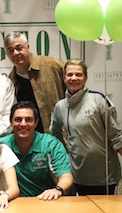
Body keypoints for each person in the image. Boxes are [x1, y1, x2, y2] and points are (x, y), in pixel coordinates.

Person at [49, 58, 122, 195]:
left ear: (86, 77)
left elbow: (116, 137)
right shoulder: (60, 106)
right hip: (78, 176)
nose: (74, 78)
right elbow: (54, 137)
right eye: (70, 75)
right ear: (64, 78)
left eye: (78, 74)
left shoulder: (99, 100)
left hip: (105, 177)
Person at [0, 101, 73, 200]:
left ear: (36, 122)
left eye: (28, 120)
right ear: (11, 122)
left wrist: (57, 189)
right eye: (18, 119)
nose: (23, 124)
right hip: (14, 202)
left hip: (47, 200)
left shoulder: (50, 144)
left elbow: (66, 177)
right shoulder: (1, 146)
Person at [4, 32, 65, 133]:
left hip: (57, 136)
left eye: (19, 48)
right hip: (26, 140)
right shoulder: (10, 81)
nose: (15, 53)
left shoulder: (53, 66)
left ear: (27, 47)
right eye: (10, 51)